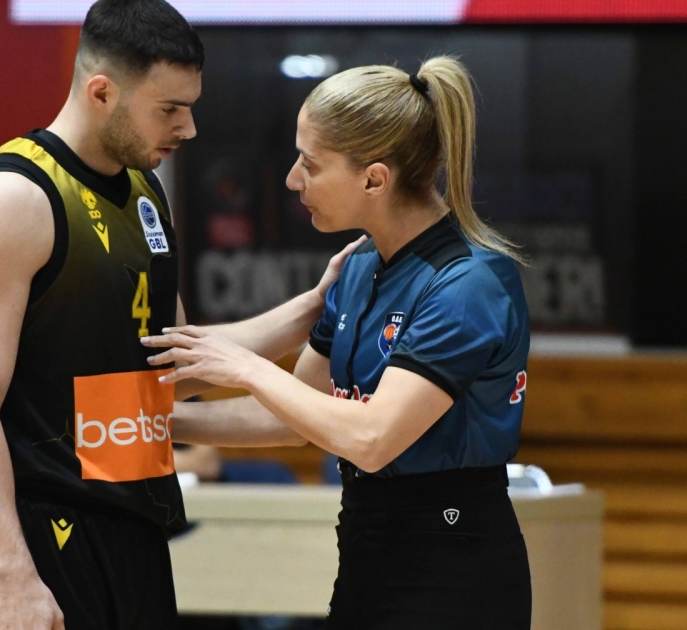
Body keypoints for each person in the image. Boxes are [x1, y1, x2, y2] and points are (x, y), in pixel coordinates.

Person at [0, 1, 361, 628]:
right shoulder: (12, 199)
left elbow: (171, 367)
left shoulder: (145, 192)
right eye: (169, 109)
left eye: (191, 106)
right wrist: (13, 574)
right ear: (101, 92)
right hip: (38, 531)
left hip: (131, 526)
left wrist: (312, 307)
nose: (189, 128)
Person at [146, 57, 533, 629]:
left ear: (374, 179)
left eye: (310, 163)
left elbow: (372, 438)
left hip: (453, 556)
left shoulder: (467, 283)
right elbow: (292, 417)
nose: (292, 179)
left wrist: (247, 367)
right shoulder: (358, 266)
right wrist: (146, 424)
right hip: (366, 544)